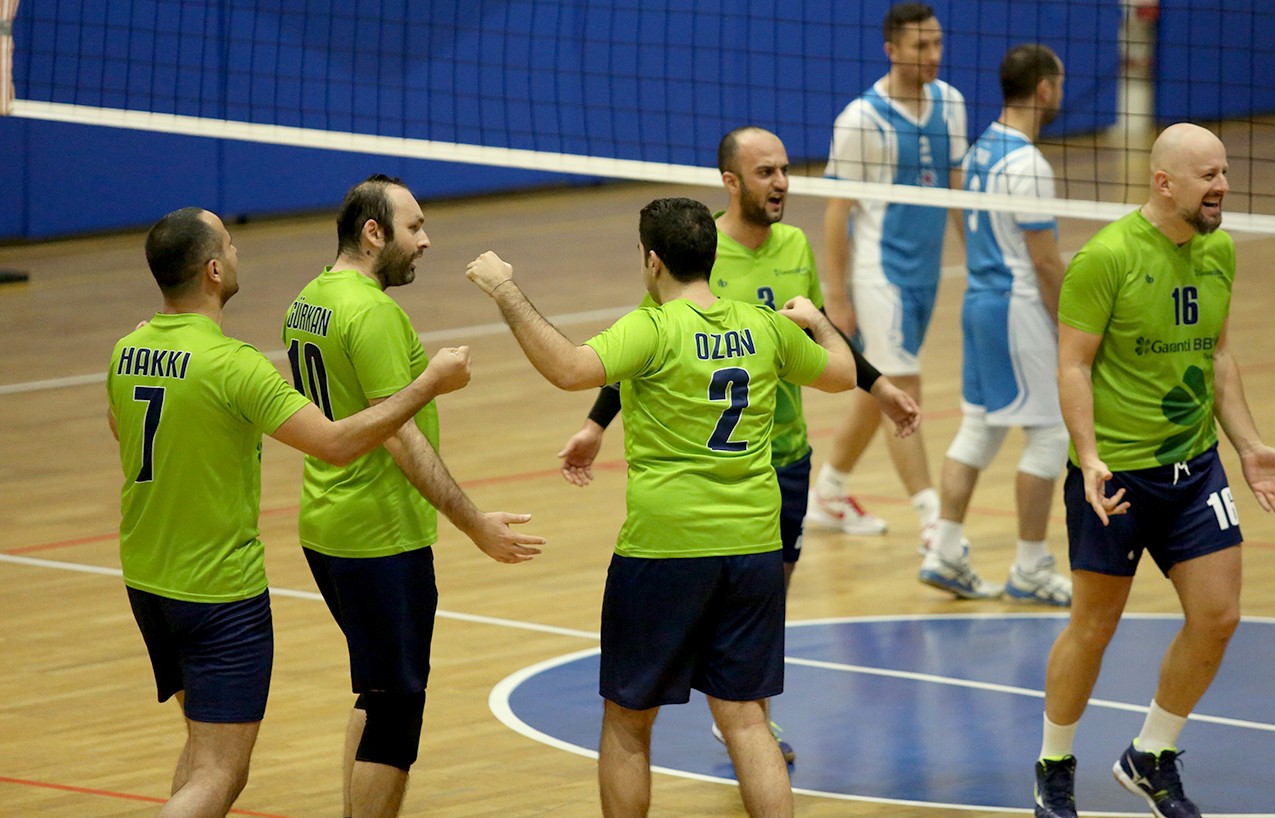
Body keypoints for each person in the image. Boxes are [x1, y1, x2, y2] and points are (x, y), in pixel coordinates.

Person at [465, 197, 855, 818]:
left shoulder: (651, 328)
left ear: (652, 261)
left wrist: (505, 290)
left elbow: (568, 369)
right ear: (712, 256)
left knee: (628, 721)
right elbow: (842, 374)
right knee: (747, 720)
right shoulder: (765, 327)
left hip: (666, 550)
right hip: (754, 548)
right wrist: (816, 320)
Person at [555, 126, 920, 762]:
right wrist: (596, 422)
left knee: (767, 593)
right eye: (765, 172)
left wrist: (879, 385)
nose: (781, 183)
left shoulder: (795, 244)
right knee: (728, 594)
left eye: (785, 170)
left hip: (784, 454)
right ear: (731, 182)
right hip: (717, 469)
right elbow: (648, 346)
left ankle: (746, 715)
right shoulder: (694, 251)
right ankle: (743, 721)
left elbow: (819, 333)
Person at [107, 207, 470, 818]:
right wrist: (428, 383)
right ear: (213, 270)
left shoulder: (127, 350)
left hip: (147, 579)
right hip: (217, 587)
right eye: (230, 244)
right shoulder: (234, 364)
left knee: (202, 749)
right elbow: (336, 442)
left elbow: (122, 427)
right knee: (221, 774)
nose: (238, 252)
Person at [1031, 123, 1275, 818]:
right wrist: (1090, 456)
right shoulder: (1107, 258)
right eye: (1208, 175)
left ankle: (1150, 753)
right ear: (1164, 182)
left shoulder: (1218, 251)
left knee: (1218, 617)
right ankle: (1054, 765)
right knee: (1094, 627)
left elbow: (1218, 355)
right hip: (1118, 476)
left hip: (1195, 470)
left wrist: (1247, 446)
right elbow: (1072, 366)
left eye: (1224, 172)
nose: (1223, 186)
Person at [282, 175, 544, 818]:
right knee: (397, 708)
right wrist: (474, 522)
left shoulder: (308, 298)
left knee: (377, 693)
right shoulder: (372, 312)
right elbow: (399, 436)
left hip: (329, 525)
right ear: (374, 233)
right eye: (414, 227)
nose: (425, 241)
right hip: (378, 536)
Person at [810, 2, 968, 544]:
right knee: (903, 387)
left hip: (927, 274)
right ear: (892, 50)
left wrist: (979, 257)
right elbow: (837, 210)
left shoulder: (951, 104)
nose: (934, 55)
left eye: (938, 43)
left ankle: (829, 492)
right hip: (881, 274)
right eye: (922, 46)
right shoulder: (861, 118)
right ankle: (932, 519)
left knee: (877, 386)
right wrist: (837, 295)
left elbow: (956, 188)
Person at [919, 44, 1072, 603]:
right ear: (1044, 89)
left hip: (980, 303)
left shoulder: (981, 148)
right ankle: (1030, 567)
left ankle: (945, 551)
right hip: (1017, 309)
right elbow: (1046, 262)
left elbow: (960, 214)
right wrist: (1071, 328)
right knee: (1050, 434)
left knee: (979, 428)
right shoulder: (1027, 164)